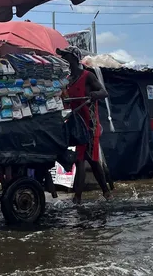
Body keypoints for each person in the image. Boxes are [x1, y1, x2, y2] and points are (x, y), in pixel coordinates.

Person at [57, 46, 112, 204]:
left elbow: (104, 92)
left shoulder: (87, 76)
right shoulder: (67, 81)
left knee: (90, 161)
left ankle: (87, 196)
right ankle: (83, 197)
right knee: (81, 159)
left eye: (66, 56)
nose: (63, 60)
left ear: (74, 59)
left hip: (89, 124)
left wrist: (94, 95)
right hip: (75, 125)